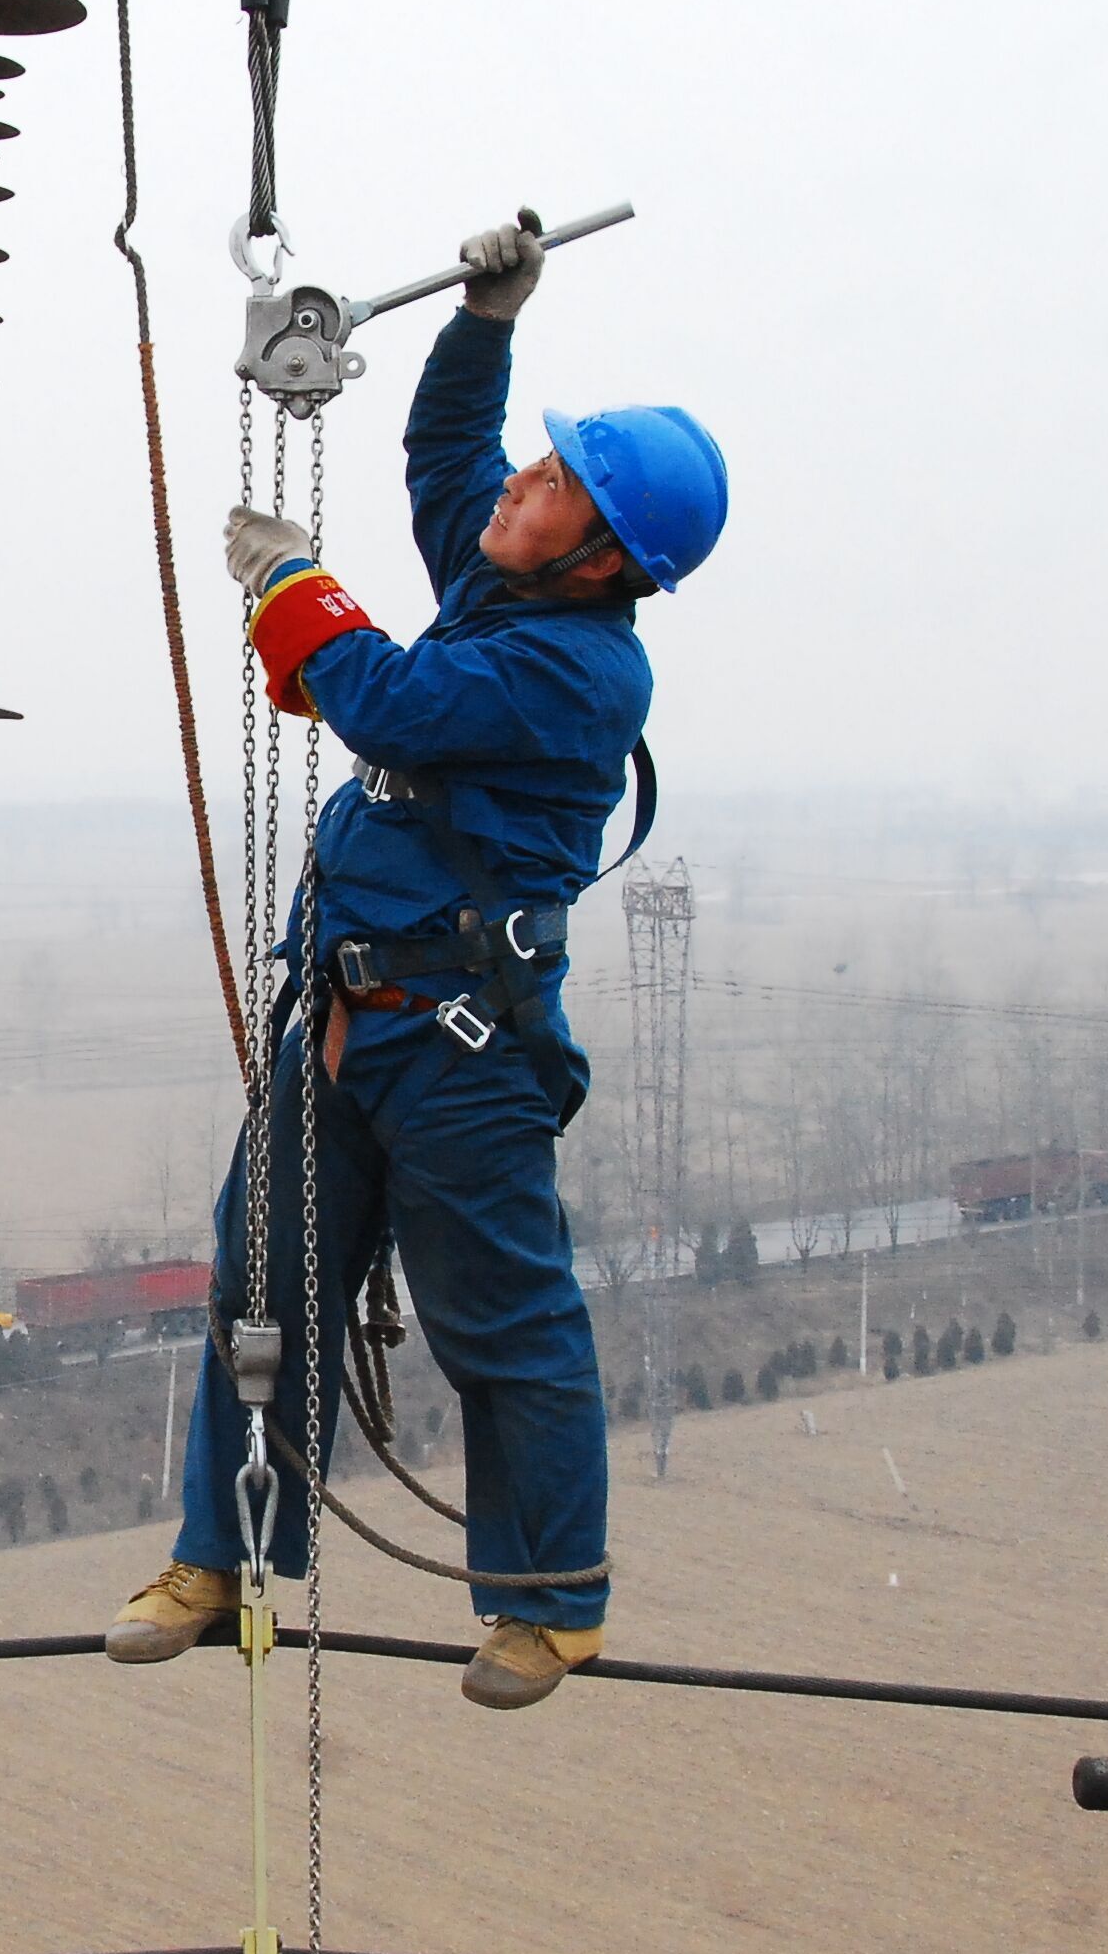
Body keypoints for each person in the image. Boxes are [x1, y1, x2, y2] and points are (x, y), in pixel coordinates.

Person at [104, 216, 729, 1708]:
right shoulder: (511, 591)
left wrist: (292, 589)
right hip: (348, 1014)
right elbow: (448, 455)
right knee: (262, 1290)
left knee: (500, 1319)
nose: (523, 479)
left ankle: (548, 1603)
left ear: (598, 558)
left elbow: (379, 699)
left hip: (460, 1042)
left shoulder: (567, 669)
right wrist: (484, 323)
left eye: (556, 482)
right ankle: (231, 1555)